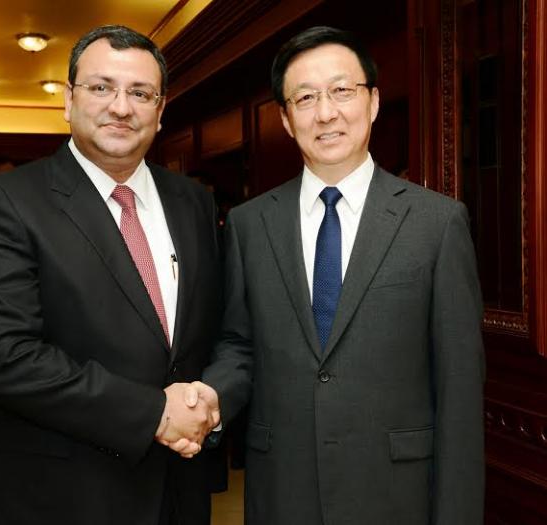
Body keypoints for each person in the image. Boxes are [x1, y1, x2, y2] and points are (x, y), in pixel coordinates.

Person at [189, 26, 485, 524]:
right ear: (286, 119)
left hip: (397, 497)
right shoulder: (249, 224)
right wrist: (210, 397)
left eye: (342, 90)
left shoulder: (437, 223)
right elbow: (239, 345)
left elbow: (459, 386)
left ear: (373, 101)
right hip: (283, 491)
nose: (325, 113)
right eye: (305, 98)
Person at [0, 25, 223, 525]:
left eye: (140, 93)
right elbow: (3, 356)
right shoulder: (5, 202)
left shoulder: (193, 202)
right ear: (68, 99)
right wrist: (154, 413)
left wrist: (206, 401)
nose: (121, 107)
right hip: (58, 496)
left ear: (160, 110)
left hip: (177, 490)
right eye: (101, 87)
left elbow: (211, 332)